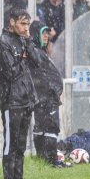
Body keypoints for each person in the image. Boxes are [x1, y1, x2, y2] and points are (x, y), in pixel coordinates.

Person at [0, 8, 42, 179]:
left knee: (21, 146)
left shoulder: (23, 40)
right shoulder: (1, 44)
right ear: (11, 22)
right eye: (22, 23)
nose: (26, 27)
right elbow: (11, 72)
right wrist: (22, 58)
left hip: (26, 100)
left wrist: (29, 42)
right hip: (11, 102)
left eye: (28, 24)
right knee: (10, 146)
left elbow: (38, 62)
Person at [28, 21, 70, 168]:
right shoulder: (34, 50)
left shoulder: (37, 50)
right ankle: (51, 161)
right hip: (46, 98)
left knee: (42, 127)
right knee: (50, 127)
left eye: (47, 33)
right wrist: (53, 91)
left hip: (44, 98)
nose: (46, 36)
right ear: (36, 34)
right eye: (43, 33)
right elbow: (42, 77)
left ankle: (43, 160)